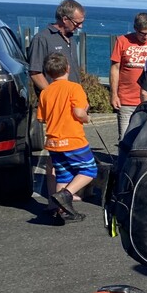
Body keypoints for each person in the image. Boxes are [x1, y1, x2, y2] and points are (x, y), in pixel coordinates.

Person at [28, 0, 86, 212]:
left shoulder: (69, 38)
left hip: (72, 106)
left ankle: (65, 193)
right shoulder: (42, 39)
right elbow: (35, 72)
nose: (80, 26)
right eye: (77, 22)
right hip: (56, 109)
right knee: (56, 155)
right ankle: (55, 199)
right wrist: (53, 97)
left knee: (70, 152)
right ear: (65, 19)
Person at [37, 53, 96, 224]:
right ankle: (66, 195)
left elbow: (41, 118)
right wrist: (86, 115)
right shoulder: (74, 88)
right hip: (72, 139)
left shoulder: (46, 92)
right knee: (88, 170)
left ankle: (62, 210)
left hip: (54, 141)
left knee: (63, 175)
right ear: (68, 68)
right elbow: (79, 113)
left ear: (48, 73)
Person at [110, 12, 147, 140]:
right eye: (142, 33)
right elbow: (115, 69)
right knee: (124, 139)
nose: (146, 37)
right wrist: (114, 94)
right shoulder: (122, 41)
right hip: (126, 100)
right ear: (135, 29)